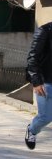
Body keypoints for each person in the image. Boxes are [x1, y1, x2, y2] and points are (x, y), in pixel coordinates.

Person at [25, 22, 52, 150]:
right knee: (45, 117)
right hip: (46, 82)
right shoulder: (45, 31)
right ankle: (32, 130)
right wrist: (36, 81)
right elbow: (32, 57)